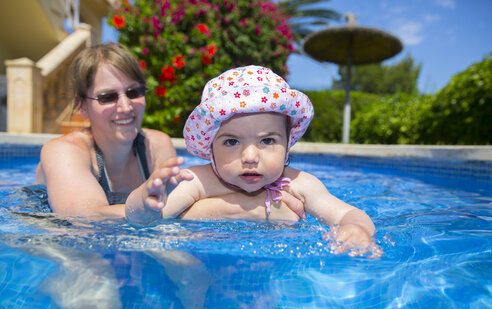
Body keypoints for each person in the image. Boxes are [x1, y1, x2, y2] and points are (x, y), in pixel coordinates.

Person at [127, 65, 379, 255]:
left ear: (287, 143)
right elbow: (143, 223)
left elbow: (349, 214)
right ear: (210, 147)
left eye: (267, 141)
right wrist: (146, 201)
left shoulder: (300, 184)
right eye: (231, 142)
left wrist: (356, 229)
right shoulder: (197, 182)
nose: (249, 157)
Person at [35, 43, 302, 220]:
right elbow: (84, 220)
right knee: (98, 301)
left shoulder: (155, 145)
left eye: (134, 92)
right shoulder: (63, 152)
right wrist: (255, 209)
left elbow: (168, 214)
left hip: (125, 227)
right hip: (52, 237)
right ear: (82, 105)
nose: (125, 106)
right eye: (107, 97)